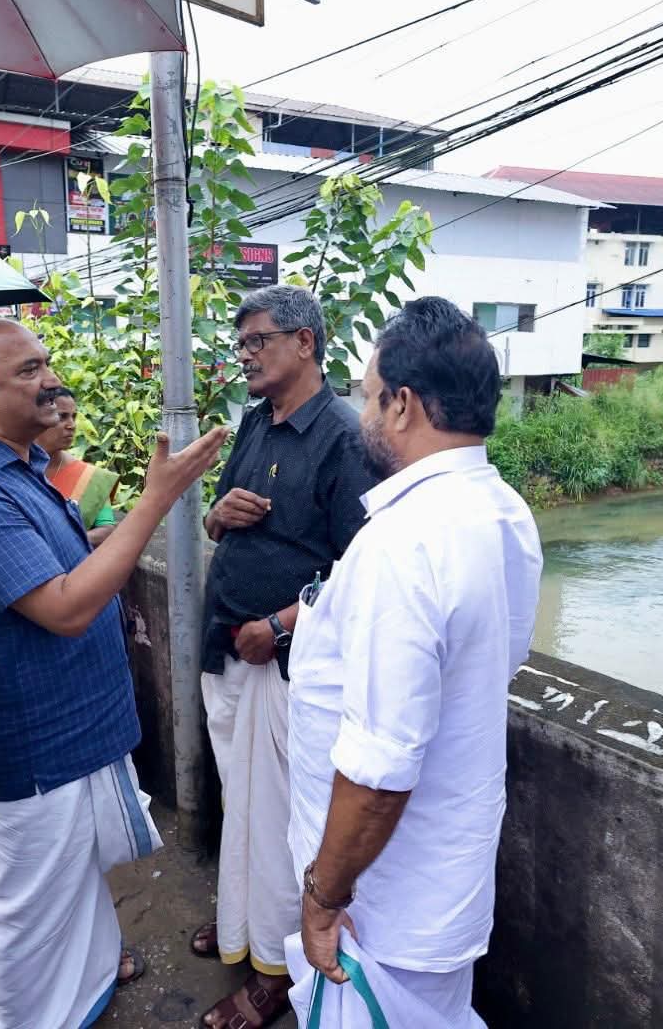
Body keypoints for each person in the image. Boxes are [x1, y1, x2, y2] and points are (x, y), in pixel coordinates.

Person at [0, 318, 228, 1029]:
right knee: (30, 916)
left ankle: (81, 1001)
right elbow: (63, 607)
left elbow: (54, 556)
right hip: (36, 749)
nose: (50, 379)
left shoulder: (15, 462)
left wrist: (115, 531)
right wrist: (156, 500)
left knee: (75, 891)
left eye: (46, 362)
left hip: (73, 731)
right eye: (27, 370)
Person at [284, 297, 542, 1027]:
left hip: (383, 894)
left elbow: (379, 768)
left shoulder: (405, 542)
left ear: (402, 405)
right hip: (441, 872)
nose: (362, 412)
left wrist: (324, 897)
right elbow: (497, 661)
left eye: (368, 396)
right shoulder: (503, 510)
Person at [193, 285, 375, 1028]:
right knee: (242, 807)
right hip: (228, 647)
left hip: (282, 662)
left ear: (305, 343)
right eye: (240, 345)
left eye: (257, 342)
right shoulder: (255, 422)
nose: (245, 356)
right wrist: (216, 511)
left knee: (279, 824)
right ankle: (241, 926)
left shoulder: (344, 437)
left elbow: (361, 571)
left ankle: (276, 970)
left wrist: (282, 624)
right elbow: (218, 521)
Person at [37, 387, 119, 547]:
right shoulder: (13, 468)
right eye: (61, 417)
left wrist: (66, 541)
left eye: (73, 417)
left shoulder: (91, 477)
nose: (72, 425)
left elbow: (107, 529)